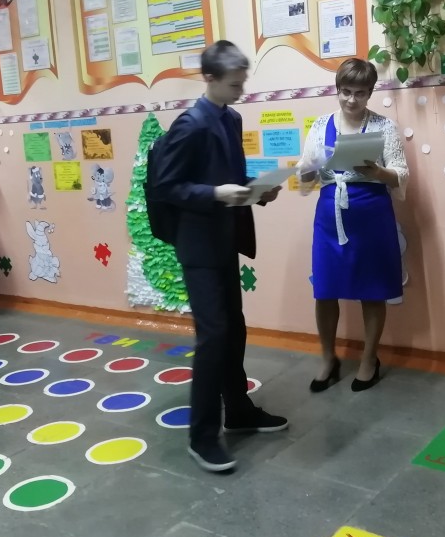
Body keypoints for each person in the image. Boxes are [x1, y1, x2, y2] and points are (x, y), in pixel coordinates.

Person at [149, 40, 287, 473]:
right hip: (198, 246)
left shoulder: (230, 118)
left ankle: (239, 411)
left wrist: (256, 191)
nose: (240, 91)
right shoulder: (190, 125)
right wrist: (214, 194)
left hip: (225, 239)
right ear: (209, 78)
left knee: (234, 329)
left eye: (242, 82)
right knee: (213, 337)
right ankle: (202, 436)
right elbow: (166, 187)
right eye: (233, 84)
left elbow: (230, 176)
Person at [297, 58, 408, 393]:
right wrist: (307, 169)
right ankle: (328, 359)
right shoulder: (320, 126)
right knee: (325, 289)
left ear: (370, 93)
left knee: (372, 290)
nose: (351, 99)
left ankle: (369, 360)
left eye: (360, 93)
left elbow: (401, 174)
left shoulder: (384, 126)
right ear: (337, 89)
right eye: (346, 91)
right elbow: (306, 173)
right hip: (330, 215)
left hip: (372, 214)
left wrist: (378, 172)